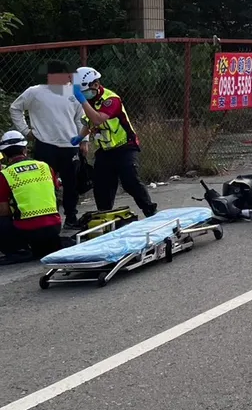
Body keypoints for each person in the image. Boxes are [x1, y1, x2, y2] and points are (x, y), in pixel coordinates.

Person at [72, 67, 157, 218]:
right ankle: (105, 217)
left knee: (130, 181)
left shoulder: (111, 100)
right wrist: (79, 138)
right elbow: (89, 122)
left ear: (96, 85)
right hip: (105, 150)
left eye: (84, 91)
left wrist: (83, 101)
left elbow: (98, 118)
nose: (83, 95)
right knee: (102, 187)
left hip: (125, 146)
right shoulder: (90, 101)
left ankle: (150, 210)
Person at [9, 58, 84, 228]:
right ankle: (50, 216)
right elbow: (15, 108)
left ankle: (71, 217)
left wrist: (84, 140)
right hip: (45, 144)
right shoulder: (34, 92)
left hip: (70, 144)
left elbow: (81, 118)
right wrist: (26, 131)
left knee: (71, 183)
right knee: (45, 183)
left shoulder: (74, 92)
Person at [0, 130, 64, 264]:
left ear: (5, 154)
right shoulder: (45, 166)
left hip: (27, 231)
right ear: (25, 149)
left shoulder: (5, 175)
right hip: (54, 226)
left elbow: (3, 211)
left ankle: (16, 251)